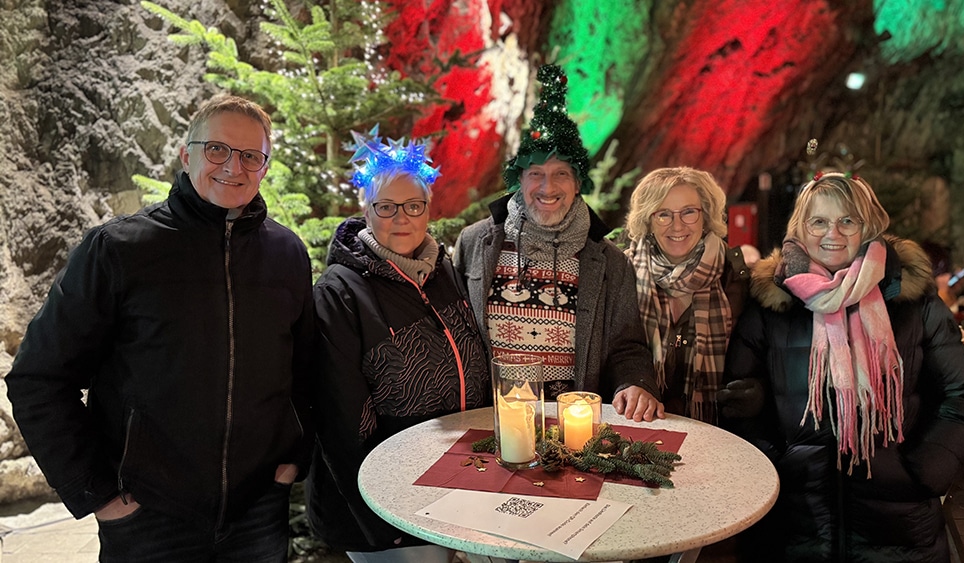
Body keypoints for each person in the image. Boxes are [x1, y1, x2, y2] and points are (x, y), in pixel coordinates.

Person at [5, 95, 314, 562]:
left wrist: (293, 461)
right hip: (148, 518)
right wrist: (98, 495)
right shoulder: (119, 249)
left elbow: (306, 370)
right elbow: (39, 379)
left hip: (257, 514)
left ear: (265, 168)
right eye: (217, 149)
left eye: (251, 155)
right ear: (186, 155)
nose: (234, 167)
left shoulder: (286, 254)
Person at [721, 171, 964, 562]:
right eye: (819, 221)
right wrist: (775, 464)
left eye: (848, 220)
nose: (834, 234)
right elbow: (737, 401)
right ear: (800, 228)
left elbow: (962, 396)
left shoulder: (914, 301)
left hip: (900, 527)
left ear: (868, 226)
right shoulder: (772, 303)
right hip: (793, 524)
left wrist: (925, 471)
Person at [307, 127, 490, 562]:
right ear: (366, 211)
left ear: (428, 209)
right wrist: (381, 515)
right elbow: (339, 420)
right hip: (387, 502)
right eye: (386, 206)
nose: (401, 218)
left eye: (413, 205)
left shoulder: (443, 272)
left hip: (459, 479)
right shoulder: (340, 292)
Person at [453, 63, 663, 421]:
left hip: (573, 425)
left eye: (561, 174)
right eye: (535, 173)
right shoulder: (475, 243)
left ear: (578, 183)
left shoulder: (612, 264)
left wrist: (635, 383)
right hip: (489, 421)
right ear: (519, 180)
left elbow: (627, 347)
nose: (547, 187)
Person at [624, 167, 750, 422]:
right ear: (648, 220)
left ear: (706, 215)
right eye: (663, 214)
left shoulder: (733, 275)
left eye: (689, 212)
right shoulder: (623, 272)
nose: (677, 225)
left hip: (716, 427)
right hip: (639, 422)